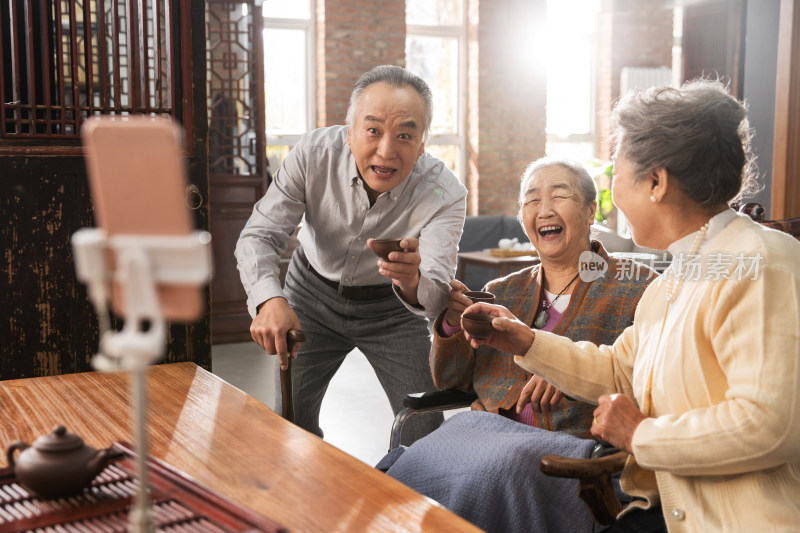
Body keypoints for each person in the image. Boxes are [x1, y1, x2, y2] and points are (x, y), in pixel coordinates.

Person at [467, 79, 800, 532]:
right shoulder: (679, 275)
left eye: (616, 173)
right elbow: (620, 369)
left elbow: (768, 426)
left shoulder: (761, 264)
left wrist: (639, 434)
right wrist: (526, 341)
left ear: (656, 182)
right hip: (668, 508)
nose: (611, 190)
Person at [381, 157, 656, 533]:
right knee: (402, 477)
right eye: (531, 200)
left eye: (560, 196)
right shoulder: (501, 290)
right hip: (484, 434)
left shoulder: (638, 287)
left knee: (490, 475)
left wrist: (570, 374)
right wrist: (449, 323)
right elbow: (449, 380)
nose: (544, 209)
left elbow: (652, 378)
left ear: (591, 210)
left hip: (570, 447)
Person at [236, 65, 467, 444]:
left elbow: (436, 296)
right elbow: (259, 235)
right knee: (291, 426)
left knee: (424, 428)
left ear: (423, 144)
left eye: (405, 135)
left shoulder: (445, 193)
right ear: (350, 132)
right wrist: (269, 299)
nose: (386, 150)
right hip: (308, 293)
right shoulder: (313, 154)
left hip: (392, 310)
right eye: (373, 130)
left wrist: (412, 282)